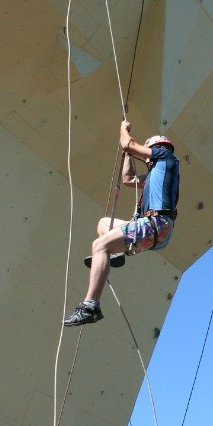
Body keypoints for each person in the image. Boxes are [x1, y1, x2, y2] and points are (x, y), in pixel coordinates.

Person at [64, 119, 179, 326]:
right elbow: (129, 179)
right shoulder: (157, 171)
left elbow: (129, 144)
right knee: (103, 224)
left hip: (156, 223)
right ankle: (111, 254)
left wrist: (124, 130)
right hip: (155, 226)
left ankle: (90, 306)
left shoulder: (166, 157)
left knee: (99, 245)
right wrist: (128, 155)